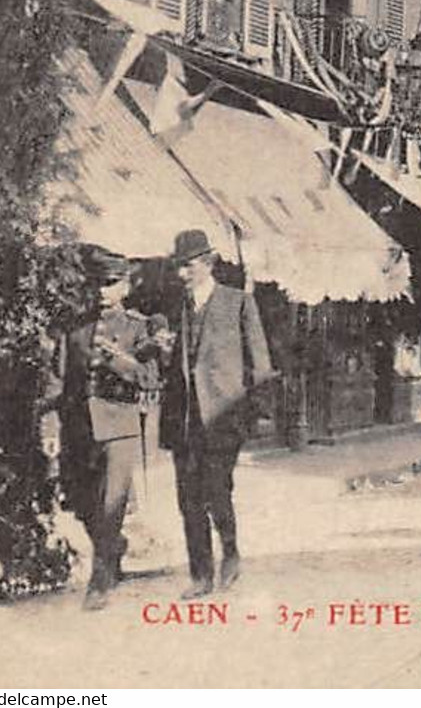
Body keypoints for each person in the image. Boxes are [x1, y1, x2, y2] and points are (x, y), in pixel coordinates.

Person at [44, 247, 168, 610]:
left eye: (111, 284)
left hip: (120, 426)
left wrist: (118, 359)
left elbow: (149, 378)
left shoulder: (139, 327)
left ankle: (100, 581)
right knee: (81, 501)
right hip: (79, 429)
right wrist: (50, 427)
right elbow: (56, 383)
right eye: (98, 284)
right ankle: (113, 547)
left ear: (126, 287)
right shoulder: (74, 329)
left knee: (112, 503)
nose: (102, 292)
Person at [160, 229, 274, 600]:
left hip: (224, 417)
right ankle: (200, 575)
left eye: (188, 266)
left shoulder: (237, 302)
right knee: (187, 498)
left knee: (216, 490)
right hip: (185, 419)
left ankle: (231, 551)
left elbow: (259, 362)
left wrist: (254, 414)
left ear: (208, 264)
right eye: (179, 267)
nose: (182, 274)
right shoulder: (177, 308)